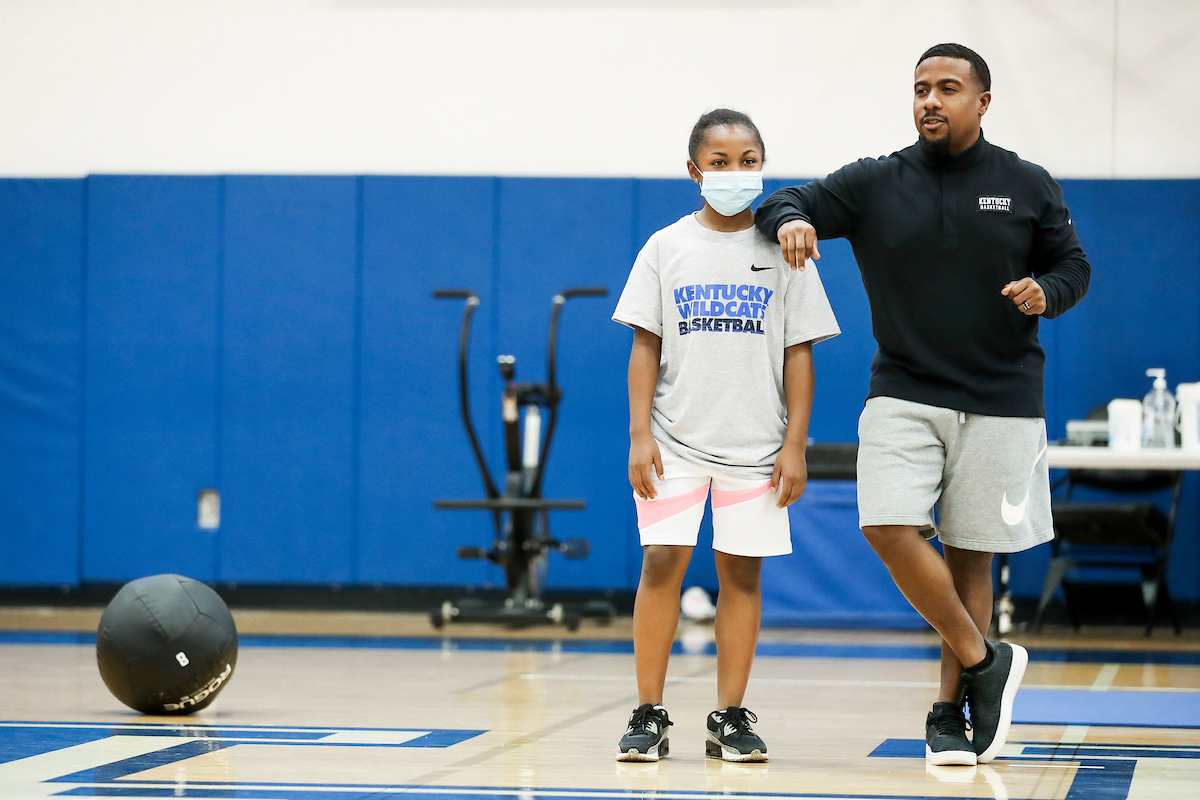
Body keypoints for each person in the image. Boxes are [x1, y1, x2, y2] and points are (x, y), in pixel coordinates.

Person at [756, 44, 1090, 766]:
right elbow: (782, 200)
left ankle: (950, 714)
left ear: (982, 101)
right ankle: (985, 660)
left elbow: (1073, 265)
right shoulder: (876, 182)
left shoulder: (1027, 183)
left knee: (973, 559)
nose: (929, 100)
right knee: (886, 525)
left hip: (1002, 396)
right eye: (919, 89)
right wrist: (789, 220)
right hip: (903, 389)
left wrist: (1048, 292)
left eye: (946, 88)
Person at [612, 109, 840, 762]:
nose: (735, 173)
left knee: (741, 577)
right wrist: (638, 435)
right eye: (720, 162)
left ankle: (730, 717)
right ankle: (648, 713)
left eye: (748, 161)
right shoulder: (665, 247)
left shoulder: (787, 248)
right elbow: (644, 346)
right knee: (662, 564)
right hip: (675, 442)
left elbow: (801, 354)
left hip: (758, 452)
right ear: (694, 171)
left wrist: (796, 444)